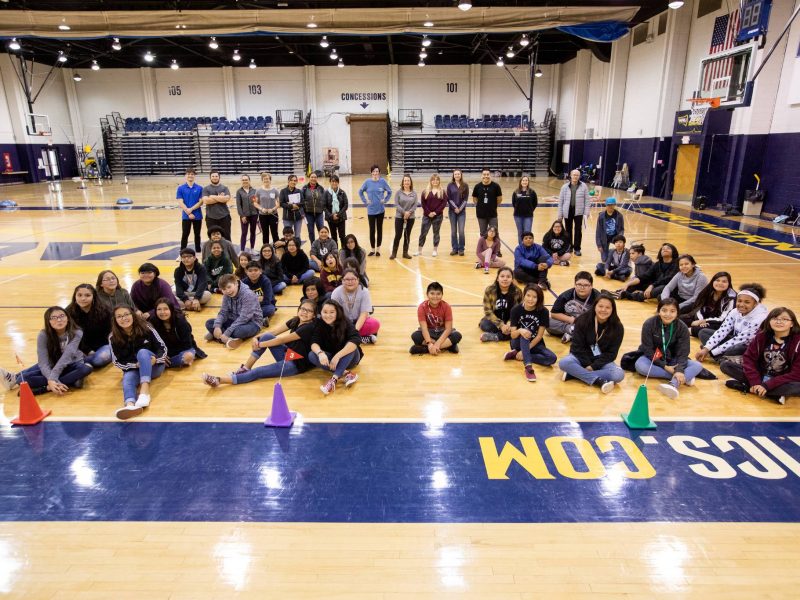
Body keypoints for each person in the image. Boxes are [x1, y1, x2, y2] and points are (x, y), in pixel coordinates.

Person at [202, 301, 316, 387]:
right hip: (288, 354)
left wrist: (261, 344)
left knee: (258, 372)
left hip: (296, 364)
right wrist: (256, 338)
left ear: (314, 315)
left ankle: (219, 380)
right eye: (303, 309)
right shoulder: (295, 320)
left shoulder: (308, 327)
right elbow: (274, 332)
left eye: (309, 311)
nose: (305, 312)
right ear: (298, 309)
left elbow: (282, 340)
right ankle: (246, 368)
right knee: (266, 336)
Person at [0, 306, 93, 396]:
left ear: (68, 318)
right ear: (48, 321)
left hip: (72, 364)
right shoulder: (43, 335)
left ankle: (46, 388)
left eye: (62, 316)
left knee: (86, 368)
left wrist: (52, 379)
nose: (59, 320)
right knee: (22, 379)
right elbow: (43, 362)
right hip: (53, 364)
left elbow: (67, 357)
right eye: (54, 318)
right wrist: (52, 379)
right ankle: (65, 382)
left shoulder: (77, 332)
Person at [721, 307, 800, 405]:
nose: (779, 321)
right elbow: (748, 359)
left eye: (784, 319)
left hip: (781, 380)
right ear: (769, 321)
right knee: (726, 365)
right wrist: (755, 381)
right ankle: (772, 394)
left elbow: (796, 374)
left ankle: (746, 387)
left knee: (797, 387)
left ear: (792, 323)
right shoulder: (761, 336)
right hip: (761, 375)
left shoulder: (798, 342)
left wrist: (768, 385)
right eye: (775, 318)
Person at [635, 297, 704, 399]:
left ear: (677, 313)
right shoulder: (649, 324)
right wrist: (666, 367)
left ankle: (673, 384)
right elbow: (648, 349)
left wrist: (679, 369)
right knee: (640, 366)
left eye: (672, 311)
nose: (668, 314)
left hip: (673, 359)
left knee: (697, 365)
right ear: (659, 311)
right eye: (664, 310)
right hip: (655, 358)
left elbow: (683, 352)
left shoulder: (682, 327)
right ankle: (684, 377)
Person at [109, 305, 168, 420]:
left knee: (142, 352)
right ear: (115, 320)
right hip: (134, 368)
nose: (124, 318)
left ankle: (144, 392)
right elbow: (116, 361)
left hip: (154, 367)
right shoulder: (113, 337)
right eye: (119, 316)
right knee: (127, 379)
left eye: (126, 314)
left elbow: (163, 347)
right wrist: (135, 365)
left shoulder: (146, 327)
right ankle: (130, 405)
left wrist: (157, 360)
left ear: (133, 315)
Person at [558, 294, 626, 393]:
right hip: (580, 357)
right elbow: (576, 348)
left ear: (613, 309)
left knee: (619, 374)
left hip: (601, 360)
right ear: (595, 306)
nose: (603, 310)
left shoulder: (617, 327)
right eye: (600, 306)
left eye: (607, 307)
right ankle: (598, 381)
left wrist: (593, 367)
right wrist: (588, 364)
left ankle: (574, 374)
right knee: (564, 362)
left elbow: (611, 354)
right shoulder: (582, 320)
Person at [695, 284, 768, 362]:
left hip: (749, 346)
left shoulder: (760, 318)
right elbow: (723, 330)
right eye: (739, 301)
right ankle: (725, 358)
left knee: (737, 348)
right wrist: (707, 348)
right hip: (735, 339)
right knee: (703, 332)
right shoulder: (735, 311)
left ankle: (723, 357)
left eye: (747, 302)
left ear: (755, 304)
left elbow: (740, 340)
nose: (741, 305)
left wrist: (712, 352)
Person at [505, 284, 557, 382]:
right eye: (528, 295)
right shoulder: (516, 310)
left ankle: (518, 355)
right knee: (526, 333)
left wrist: (525, 351)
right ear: (524, 295)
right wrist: (521, 330)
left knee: (551, 358)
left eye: (534, 297)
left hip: (535, 343)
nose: (530, 299)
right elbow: (513, 335)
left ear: (539, 299)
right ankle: (528, 367)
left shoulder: (544, 311)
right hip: (517, 342)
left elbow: (539, 336)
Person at [309, 300, 362, 395]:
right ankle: (346, 373)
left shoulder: (345, 321)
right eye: (325, 312)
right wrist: (320, 353)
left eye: (332, 312)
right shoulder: (319, 323)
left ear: (337, 312)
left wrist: (338, 356)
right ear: (320, 312)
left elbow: (356, 339)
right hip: (332, 360)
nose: (328, 315)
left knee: (351, 345)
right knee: (312, 355)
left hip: (350, 358)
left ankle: (334, 379)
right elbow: (314, 342)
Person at [204, 273, 263, 349]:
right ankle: (226, 337)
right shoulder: (226, 294)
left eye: (229, 287)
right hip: (234, 320)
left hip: (252, 323)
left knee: (239, 332)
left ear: (236, 283)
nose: (227, 291)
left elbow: (244, 318)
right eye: (224, 289)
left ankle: (220, 336)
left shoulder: (248, 294)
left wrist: (227, 332)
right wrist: (217, 326)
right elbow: (223, 312)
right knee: (209, 323)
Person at [149, 298, 205, 369]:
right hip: (163, 352)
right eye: (159, 309)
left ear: (171, 310)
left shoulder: (180, 321)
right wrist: (161, 355)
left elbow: (187, 345)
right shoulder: (153, 321)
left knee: (189, 356)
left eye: (166, 309)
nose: (162, 312)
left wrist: (164, 355)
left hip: (181, 350)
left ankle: (164, 363)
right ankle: (165, 362)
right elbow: (153, 343)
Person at [66, 283, 112, 368]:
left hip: (102, 346)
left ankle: (76, 364)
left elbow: (110, 333)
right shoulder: (68, 312)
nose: (83, 298)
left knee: (99, 360)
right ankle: (80, 363)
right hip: (80, 348)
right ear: (74, 297)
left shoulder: (105, 311)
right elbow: (71, 336)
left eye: (87, 295)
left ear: (93, 297)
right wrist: (87, 350)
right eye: (79, 295)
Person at [410, 281, 463, 354]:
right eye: (432, 293)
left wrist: (437, 344)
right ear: (427, 294)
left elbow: (448, 329)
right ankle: (448, 346)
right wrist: (429, 343)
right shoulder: (422, 307)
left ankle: (426, 349)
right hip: (429, 332)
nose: (435, 297)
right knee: (415, 336)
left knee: (457, 335)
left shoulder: (446, 306)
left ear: (442, 295)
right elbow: (424, 328)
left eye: (438, 294)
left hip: (442, 331)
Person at [679, 271, 737, 337]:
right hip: (706, 317)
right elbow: (700, 307)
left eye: (724, 281)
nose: (720, 283)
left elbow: (724, 319)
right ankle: (689, 327)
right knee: (680, 314)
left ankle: (688, 330)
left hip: (720, 322)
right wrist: (699, 321)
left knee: (702, 330)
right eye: (717, 280)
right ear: (713, 281)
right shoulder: (708, 291)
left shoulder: (731, 298)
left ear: (729, 284)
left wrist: (705, 321)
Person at [331, 268, 380, 343]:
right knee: (332, 329)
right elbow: (335, 314)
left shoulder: (364, 291)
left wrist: (355, 331)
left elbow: (364, 314)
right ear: (342, 281)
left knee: (374, 324)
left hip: (359, 322)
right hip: (343, 322)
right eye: (347, 279)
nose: (350, 282)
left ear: (358, 280)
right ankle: (361, 339)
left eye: (353, 279)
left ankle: (349, 338)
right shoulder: (336, 292)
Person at [548, 271, 600, 342]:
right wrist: (572, 320)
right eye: (579, 284)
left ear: (591, 286)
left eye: (586, 285)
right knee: (547, 322)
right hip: (571, 323)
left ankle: (572, 333)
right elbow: (554, 314)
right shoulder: (566, 295)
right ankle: (574, 331)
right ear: (575, 285)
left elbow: (603, 318)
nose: (582, 287)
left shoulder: (598, 298)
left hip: (589, 325)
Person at [479, 266, 523, 342]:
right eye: (502, 276)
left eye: (508, 277)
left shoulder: (517, 291)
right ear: (497, 278)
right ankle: (506, 334)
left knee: (522, 326)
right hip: (495, 321)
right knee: (485, 324)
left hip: (511, 320)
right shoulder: (490, 290)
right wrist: (501, 325)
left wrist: (510, 323)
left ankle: (496, 336)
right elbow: (488, 312)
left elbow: (519, 311)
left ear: (512, 279)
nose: (505, 279)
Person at [358, 165, 392, 256]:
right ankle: (372, 249)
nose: (375, 173)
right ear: (371, 172)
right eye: (374, 171)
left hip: (381, 210)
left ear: (379, 173)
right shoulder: (367, 182)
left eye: (377, 171)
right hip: (371, 210)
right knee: (372, 230)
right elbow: (360, 192)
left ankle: (378, 249)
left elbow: (390, 192)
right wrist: (365, 201)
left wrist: (385, 200)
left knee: (379, 229)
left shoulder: (383, 182)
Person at [557, 169, 590, 256]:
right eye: (574, 175)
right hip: (567, 211)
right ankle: (569, 247)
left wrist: (586, 213)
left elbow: (587, 200)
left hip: (579, 211)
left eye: (577, 175)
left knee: (578, 230)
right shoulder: (564, 187)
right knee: (568, 230)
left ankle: (577, 248)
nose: (575, 176)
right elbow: (560, 201)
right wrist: (560, 214)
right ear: (570, 176)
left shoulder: (584, 186)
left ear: (579, 176)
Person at [417, 173, 447, 257]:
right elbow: (423, 203)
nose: (435, 181)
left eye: (437, 180)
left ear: (439, 181)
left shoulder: (442, 192)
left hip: (438, 216)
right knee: (423, 233)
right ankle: (419, 250)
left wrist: (435, 212)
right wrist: (428, 212)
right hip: (427, 216)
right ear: (431, 181)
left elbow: (443, 204)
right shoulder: (425, 191)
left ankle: (435, 250)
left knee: (436, 233)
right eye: (433, 179)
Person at [173, 247, 211, 311]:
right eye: (184, 257)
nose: (186, 259)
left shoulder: (201, 268)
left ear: (194, 258)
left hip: (198, 293)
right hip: (186, 293)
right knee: (171, 294)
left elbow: (202, 284)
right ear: (181, 259)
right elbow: (178, 287)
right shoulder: (178, 270)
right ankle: (193, 304)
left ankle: (185, 305)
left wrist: (196, 298)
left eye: (189, 256)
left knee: (207, 295)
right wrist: (185, 300)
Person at [472, 168, 503, 244]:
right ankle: (484, 248)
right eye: (484, 174)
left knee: (494, 232)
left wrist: (493, 206)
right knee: (483, 233)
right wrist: (480, 206)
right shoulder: (477, 186)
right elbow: (474, 199)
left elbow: (499, 199)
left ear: (490, 175)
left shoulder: (496, 186)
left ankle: (497, 250)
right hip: (481, 215)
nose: (486, 176)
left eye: (487, 174)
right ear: (481, 175)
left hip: (492, 214)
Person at [176, 168, 203, 253]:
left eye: (192, 174)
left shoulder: (199, 188)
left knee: (197, 235)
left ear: (194, 176)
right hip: (186, 216)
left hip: (197, 215)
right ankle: (182, 252)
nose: (190, 176)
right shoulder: (181, 188)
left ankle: (198, 252)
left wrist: (191, 209)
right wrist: (187, 211)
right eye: (188, 174)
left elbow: (201, 202)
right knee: (185, 234)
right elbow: (180, 201)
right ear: (185, 176)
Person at [391, 174, 417, 260]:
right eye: (405, 180)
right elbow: (396, 204)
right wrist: (403, 212)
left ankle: (405, 253)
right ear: (402, 182)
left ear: (410, 182)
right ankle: (394, 253)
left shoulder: (414, 193)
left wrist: (409, 213)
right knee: (398, 235)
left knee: (407, 235)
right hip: (399, 217)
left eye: (408, 181)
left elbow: (415, 205)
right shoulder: (398, 193)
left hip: (411, 217)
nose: (406, 182)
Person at [202, 170, 232, 241]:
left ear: (219, 177)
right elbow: (206, 201)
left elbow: (226, 199)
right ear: (210, 177)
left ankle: (227, 251)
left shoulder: (224, 188)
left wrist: (212, 196)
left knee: (226, 237)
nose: (215, 178)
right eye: (213, 176)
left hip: (224, 216)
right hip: (210, 217)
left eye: (216, 176)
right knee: (212, 237)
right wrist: (219, 198)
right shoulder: (206, 189)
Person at [253, 172, 280, 246]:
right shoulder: (258, 191)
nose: (266, 180)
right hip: (263, 216)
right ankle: (266, 250)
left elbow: (279, 203)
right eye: (264, 179)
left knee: (275, 233)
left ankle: (278, 250)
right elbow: (255, 203)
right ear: (262, 180)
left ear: (270, 180)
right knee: (265, 234)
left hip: (273, 215)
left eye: (267, 179)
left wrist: (273, 208)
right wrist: (261, 209)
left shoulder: (275, 190)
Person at [595, 197, 624, 263]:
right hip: (604, 237)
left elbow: (621, 229)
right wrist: (599, 245)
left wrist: (620, 240)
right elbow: (598, 231)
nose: (610, 207)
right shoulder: (601, 216)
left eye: (612, 205)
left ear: (614, 205)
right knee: (604, 260)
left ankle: (617, 256)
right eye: (608, 205)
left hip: (615, 236)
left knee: (618, 258)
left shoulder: (619, 216)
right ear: (606, 205)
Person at [235, 174, 260, 253]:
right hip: (244, 216)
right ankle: (242, 250)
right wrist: (242, 216)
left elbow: (257, 203)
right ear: (241, 181)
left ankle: (252, 249)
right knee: (244, 233)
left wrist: (258, 215)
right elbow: (238, 205)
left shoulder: (254, 191)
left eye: (246, 179)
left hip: (254, 215)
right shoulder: (239, 192)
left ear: (249, 181)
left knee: (253, 232)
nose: (245, 181)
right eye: (243, 180)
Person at [511, 175, 538, 245]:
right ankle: (521, 247)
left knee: (527, 232)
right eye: (523, 180)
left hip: (528, 216)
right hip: (518, 216)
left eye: (526, 180)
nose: (525, 182)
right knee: (520, 232)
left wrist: (530, 210)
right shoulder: (516, 192)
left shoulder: (532, 192)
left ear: (528, 182)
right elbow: (514, 203)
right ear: (520, 182)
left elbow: (535, 203)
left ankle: (528, 247)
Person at [447, 169, 468, 256]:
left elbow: (465, 199)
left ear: (461, 175)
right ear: (453, 175)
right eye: (455, 174)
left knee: (461, 231)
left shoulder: (465, 185)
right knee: (453, 231)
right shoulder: (450, 185)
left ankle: (461, 248)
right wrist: (455, 208)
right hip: (452, 211)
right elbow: (448, 198)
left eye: (458, 174)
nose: (457, 175)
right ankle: (454, 248)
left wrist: (460, 209)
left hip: (462, 212)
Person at [279, 174, 305, 243]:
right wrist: (291, 206)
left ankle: (298, 250)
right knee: (288, 236)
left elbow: (302, 202)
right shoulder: (283, 191)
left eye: (295, 180)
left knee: (297, 236)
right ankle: (288, 251)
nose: (293, 182)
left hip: (298, 217)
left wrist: (296, 205)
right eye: (292, 180)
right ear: (288, 181)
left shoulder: (299, 191)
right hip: (287, 218)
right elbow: (281, 203)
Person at [302, 171, 326, 243]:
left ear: (317, 178)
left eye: (315, 177)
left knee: (321, 231)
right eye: (312, 177)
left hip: (319, 213)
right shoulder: (304, 188)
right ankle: (313, 246)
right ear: (309, 178)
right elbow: (301, 201)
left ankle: (323, 245)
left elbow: (324, 200)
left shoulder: (321, 188)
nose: (313, 178)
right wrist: (302, 213)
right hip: (308, 214)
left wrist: (323, 209)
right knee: (311, 232)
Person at [324, 174, 349, 244]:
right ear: (330, 182)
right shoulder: (326, 193)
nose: (334, 183)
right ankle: (335, 253)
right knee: (333, 236)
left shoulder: (342, 192)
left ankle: (343, 252)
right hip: (330, 218)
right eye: (332, 181)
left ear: (338, 183)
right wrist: (332, 216)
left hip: (341, 218)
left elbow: (346, 205)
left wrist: (338, 215)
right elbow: (324, 206)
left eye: (336, 181)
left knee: (342, 236)